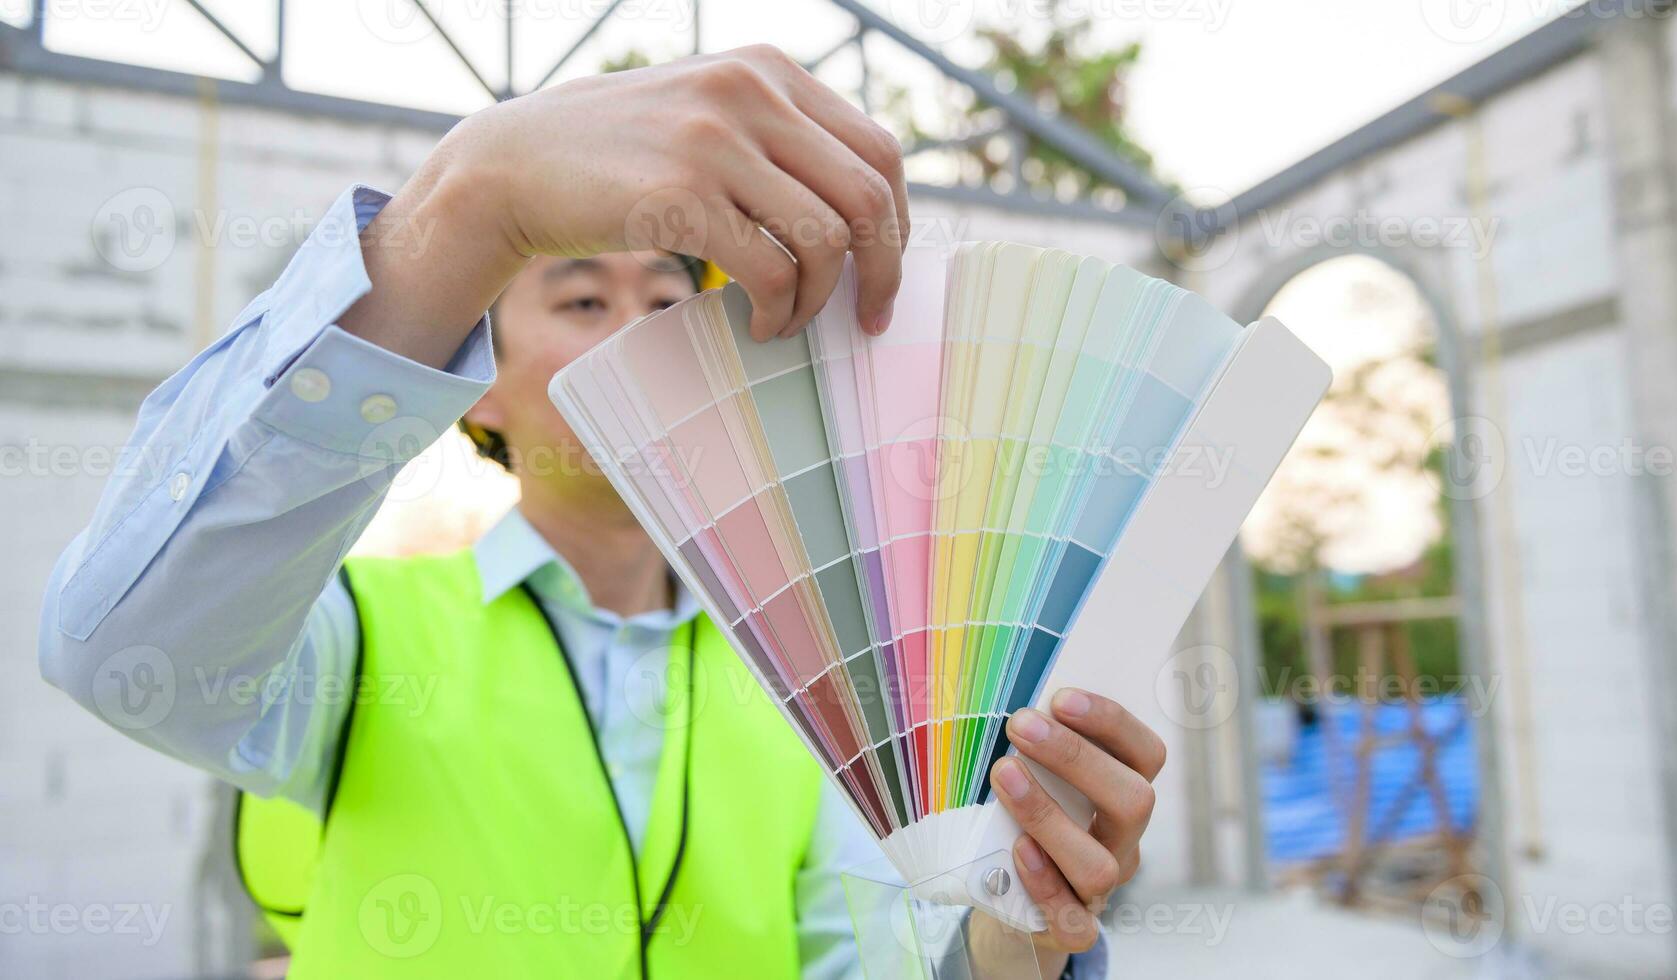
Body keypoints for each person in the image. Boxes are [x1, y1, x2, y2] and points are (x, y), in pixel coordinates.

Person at [38, 47, 1166, 978]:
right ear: (473, 376)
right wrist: (476, 197)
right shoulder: (358, 634)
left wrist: (1016, 933)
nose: (638, 329)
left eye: (670, 300)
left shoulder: (813, 692)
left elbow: (860, 959)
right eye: (580, 294)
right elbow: (120, 649)